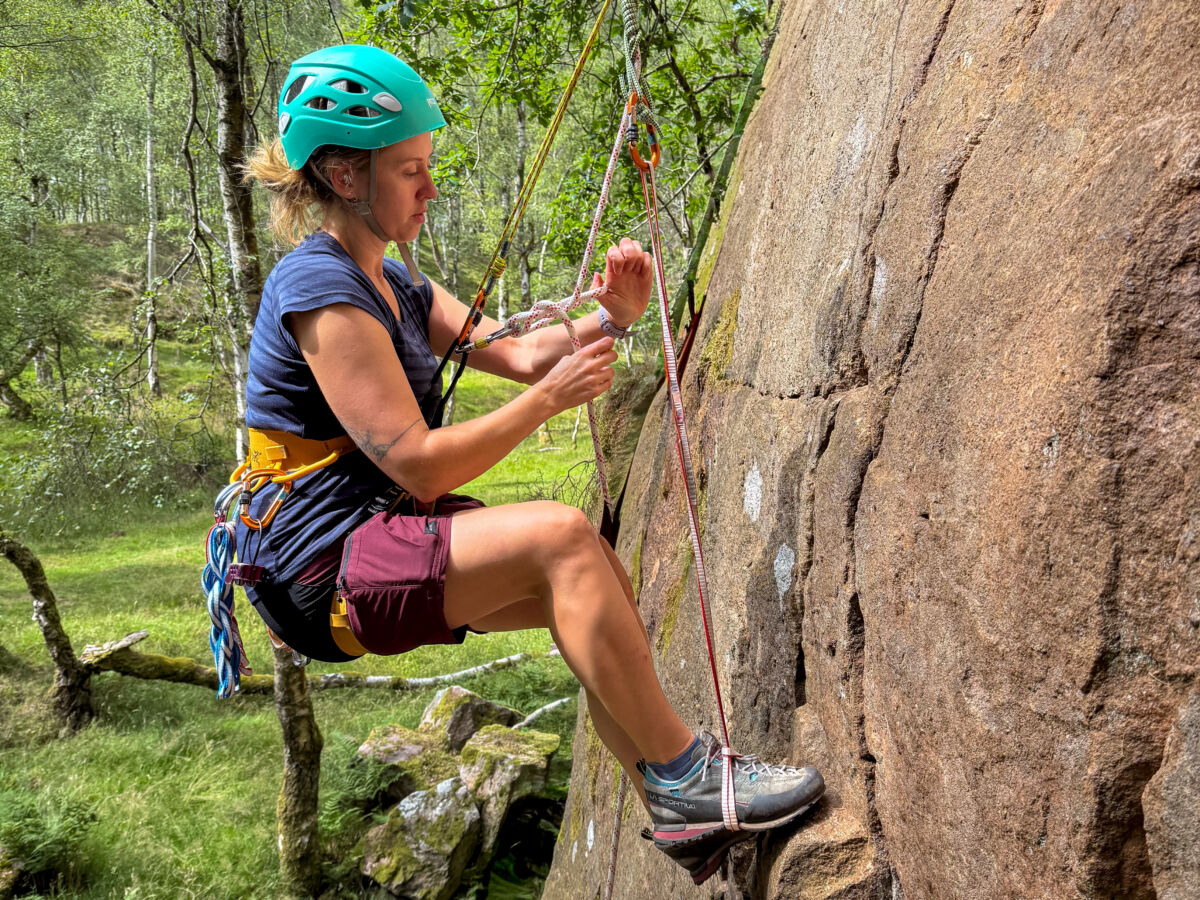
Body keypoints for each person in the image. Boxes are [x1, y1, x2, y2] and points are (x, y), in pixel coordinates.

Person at [239, 44, 823, 882]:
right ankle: (692, 779)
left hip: (367, 533)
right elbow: (420, 466)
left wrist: (612, 318)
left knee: (594, 584)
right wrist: (550, 402)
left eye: (427, 167)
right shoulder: (320, 290)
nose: (430, 188)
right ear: (343, 176)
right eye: (410, 171)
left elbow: (518, 354)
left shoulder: (397, 284)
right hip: (317, 563)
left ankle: (683, 813)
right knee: (562, 539)